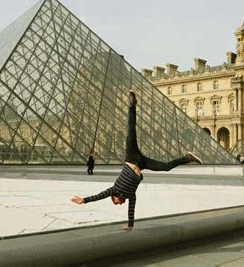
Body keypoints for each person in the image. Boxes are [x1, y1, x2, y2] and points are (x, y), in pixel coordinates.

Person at [71, 91, 203, 230]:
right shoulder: (131, 196)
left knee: (131, 131)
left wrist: (84, 200)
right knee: (166, 167)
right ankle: (187, 158)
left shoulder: (114, 189)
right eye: (118, 204)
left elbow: (99, 196)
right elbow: (131, 210)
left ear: (114, 197)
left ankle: (132, 105)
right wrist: (130, 225)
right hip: (141, 163)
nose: (119, 204)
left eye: (116, 203)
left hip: (131, 156)